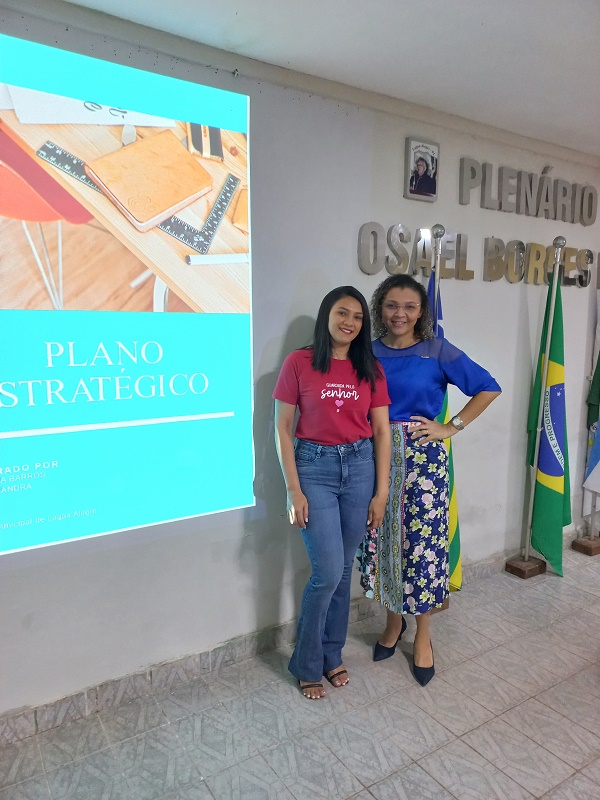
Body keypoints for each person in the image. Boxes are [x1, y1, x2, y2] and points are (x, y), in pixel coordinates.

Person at [357, 274, 500, 686]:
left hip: (423, 462)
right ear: (380, 308)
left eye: (409, 306)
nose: (399, 314)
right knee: (382, 540)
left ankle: (422, 635)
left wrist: (451, 427)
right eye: (391, 305)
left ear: (421, 311)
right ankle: (392, 623)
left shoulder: (436, 350)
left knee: (422, 548)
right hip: (375, 456)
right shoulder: (368, 351)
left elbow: (487, 387)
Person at [273, 286, 391, 699]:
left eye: (358, 317)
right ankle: (306, 663)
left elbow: (381, 431)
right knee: (326, 573)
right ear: (327, 315)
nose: (350, 322)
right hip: (314, 468)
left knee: (342, 573)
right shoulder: (299, 362)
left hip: (359, 467)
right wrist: (293, 489)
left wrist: (381, 492)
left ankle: (331, 653)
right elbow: (283, 428)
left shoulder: (370, 368)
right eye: (343, 313)